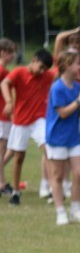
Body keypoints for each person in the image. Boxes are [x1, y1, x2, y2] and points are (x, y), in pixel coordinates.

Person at [1, 48, 56, 207]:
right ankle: (16, 192)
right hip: (21, 121)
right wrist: (9, 102)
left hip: (39, 120)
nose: (42, 71)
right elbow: (4, 83)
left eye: (45, 69)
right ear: (33, 60)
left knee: (49, 151)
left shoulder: (47, 76)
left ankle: (53, 188)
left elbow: (60, 70)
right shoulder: (19, 72)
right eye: (41, 67)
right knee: (19, 157)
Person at [45, 51, 80, 225]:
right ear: (66, 66)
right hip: (57, 137)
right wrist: (79, 100)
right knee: (58, 176)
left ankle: (75, 210)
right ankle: (60, 212)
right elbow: (63, 113)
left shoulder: (77, 87)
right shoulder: (57, 88)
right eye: (77, 64)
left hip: (73, 137)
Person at [0, 37, 15, 196]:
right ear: (3, 52)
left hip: (5, 116)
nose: (13, 56)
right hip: (2, 115)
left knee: (12, 148)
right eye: (10, 53)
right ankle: (2, 184)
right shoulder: (1, 70)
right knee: (3, 149)